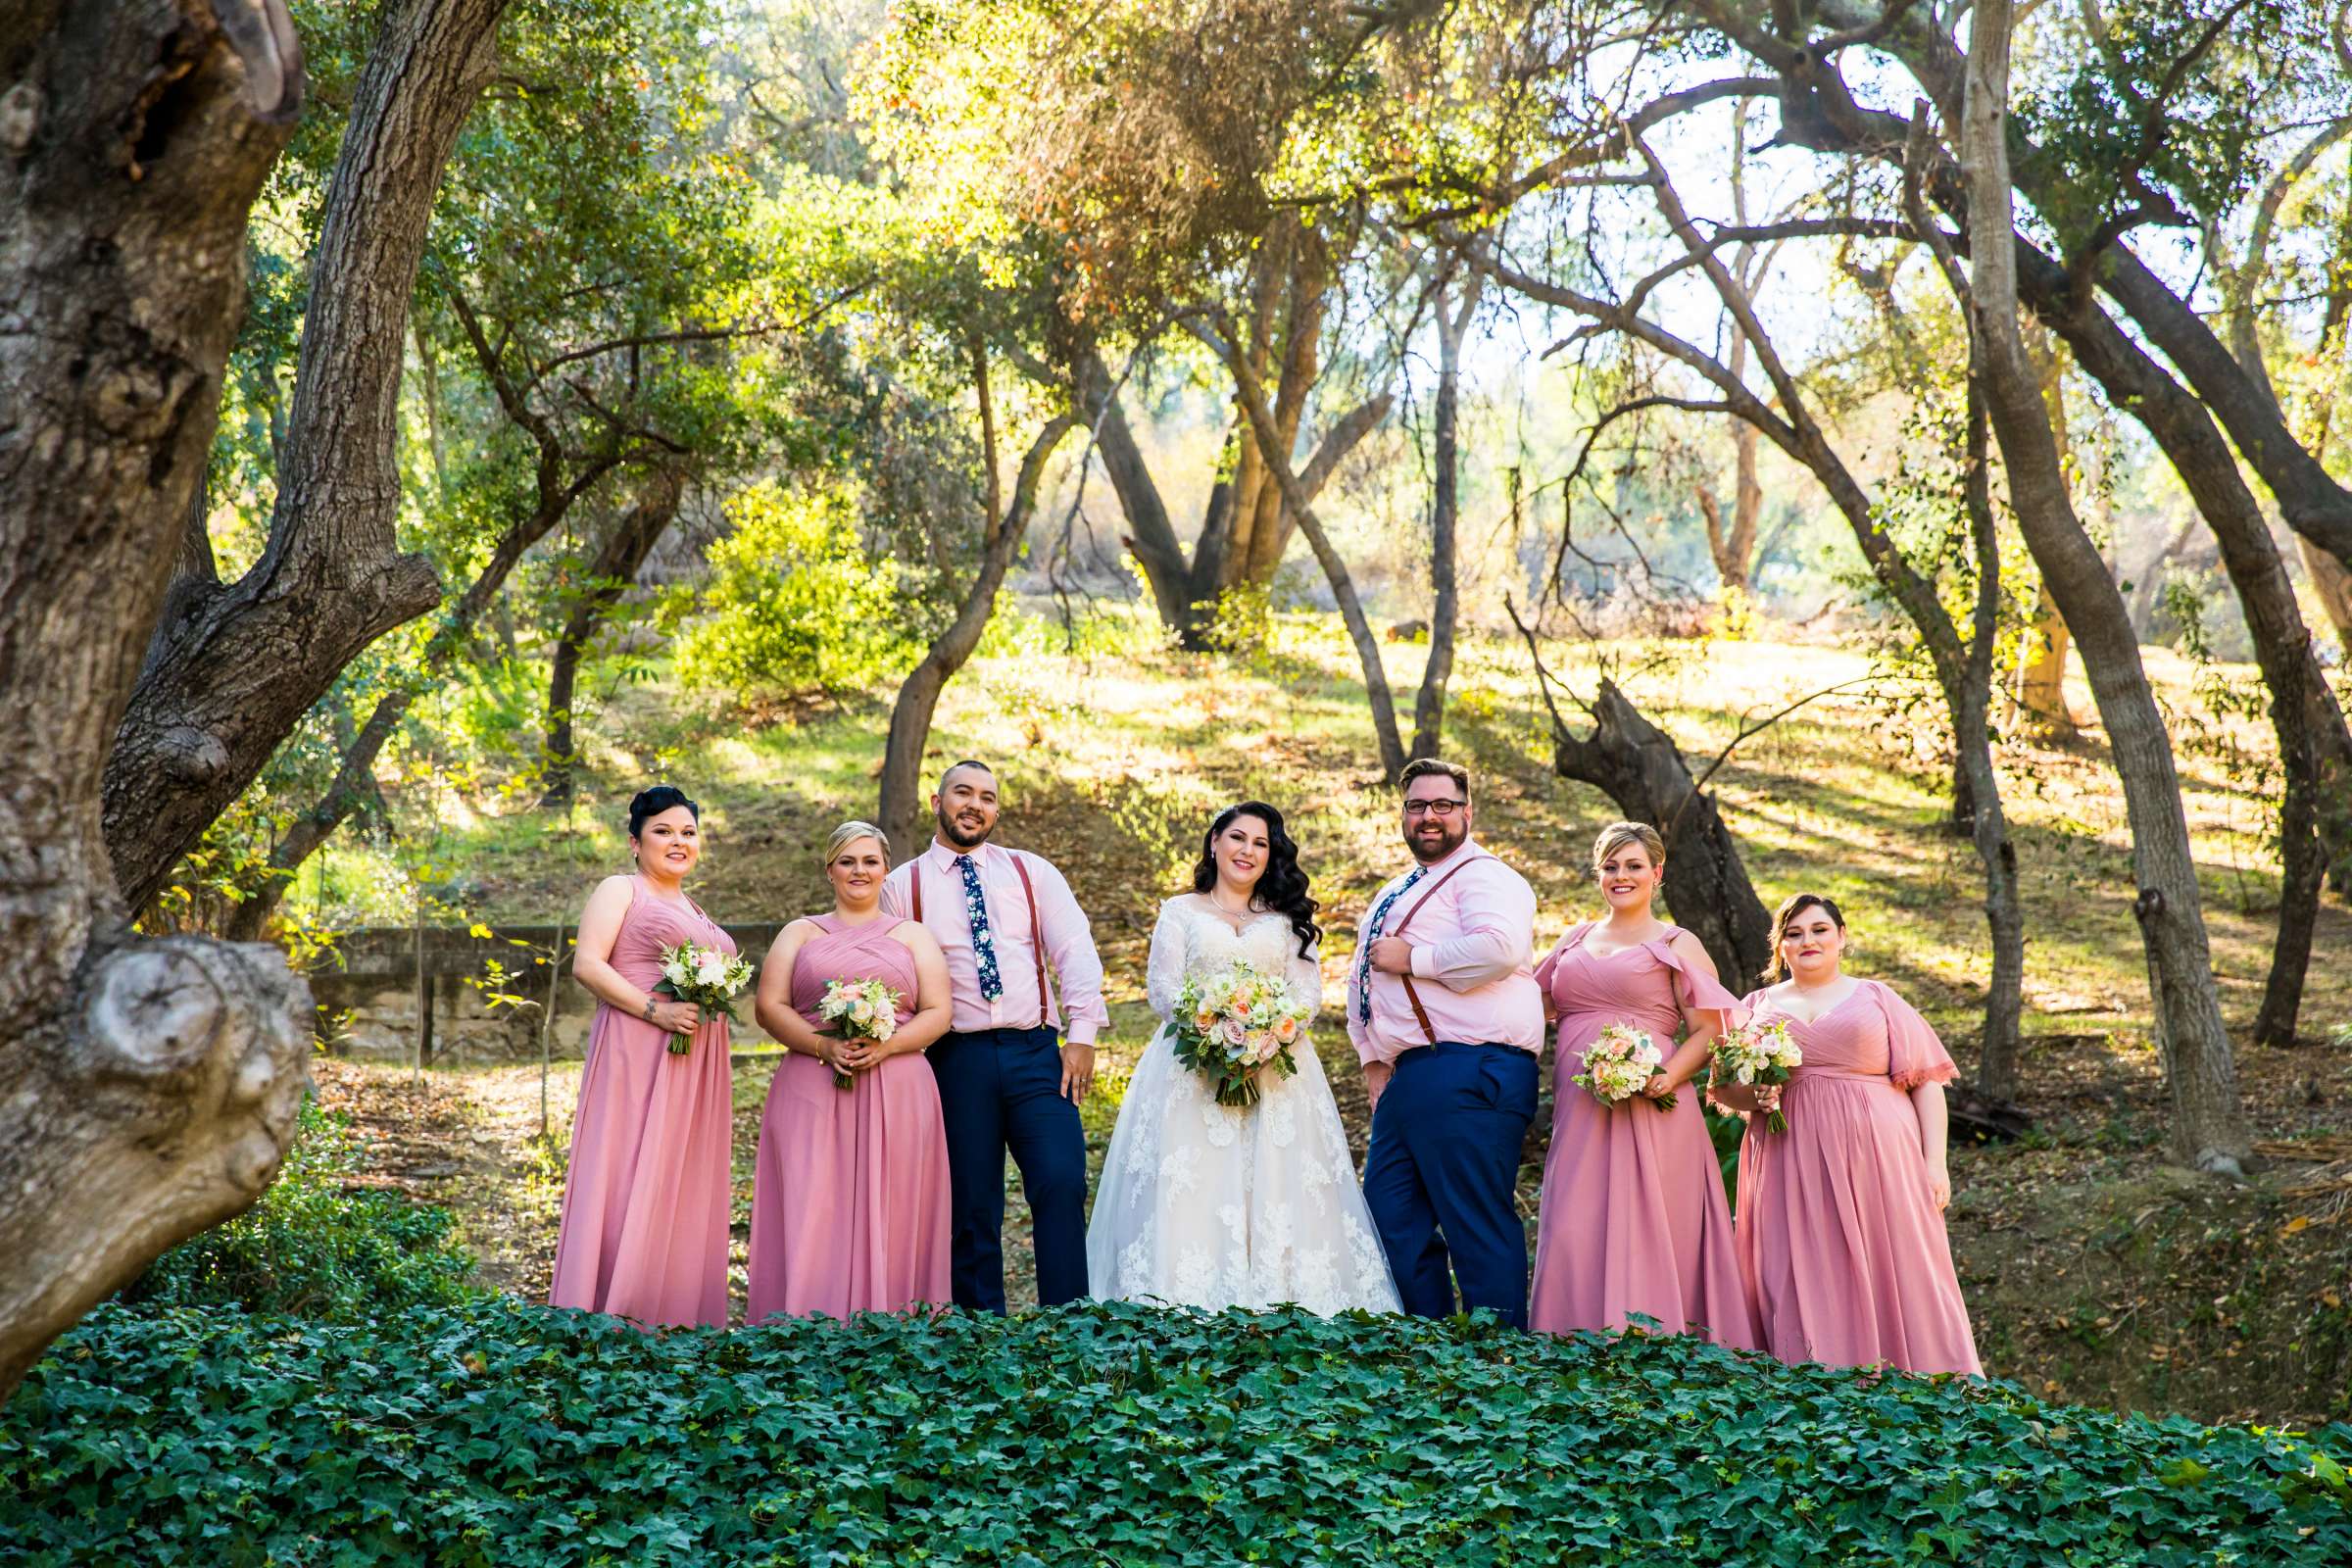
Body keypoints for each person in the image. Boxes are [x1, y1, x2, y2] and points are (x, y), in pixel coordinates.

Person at [1087, 803, 1398, 1313]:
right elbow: (1163, 990)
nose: (1248, 851)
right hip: (1191, 1069)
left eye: (1261, 843)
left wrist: (1266, 1037)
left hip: (1277, 1073)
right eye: (1238, 838)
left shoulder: (1285, 920)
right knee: (1194, 1180)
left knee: (1276, 1181)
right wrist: (1212, 1034)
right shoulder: (1180, 911)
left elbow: (1307, 994)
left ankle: (1282, 1302)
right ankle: (1183, 1302)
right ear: (1214, 842)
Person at [1713, 893, 1982, 1374]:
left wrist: (1935, 1163)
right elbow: (1724, 1088)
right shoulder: (1754, 1007)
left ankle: (1922, 1378)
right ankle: (1810, 1377)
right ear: (1780, 947)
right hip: (1786, 1159)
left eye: (1819, 930)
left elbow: (1926, 1084)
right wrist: (1753, 1098)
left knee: (1895, 1261)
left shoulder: (1877, 997)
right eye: (1793, 934)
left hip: (1879, 1160)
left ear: (1841, 937)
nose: (1807, 941)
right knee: (1795, 1265)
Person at [881, 760, 1107, 1312]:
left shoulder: (1030, 872)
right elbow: (889, 975)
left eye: (986, 797)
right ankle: (981, 1330)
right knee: (970, 1202)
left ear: (996, 811)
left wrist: (1082, 1033)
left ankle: (1068, 1320)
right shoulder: (900, 885)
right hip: (955, 1059)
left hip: (1035, 1053)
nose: (974, 805)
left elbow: (1074, 948)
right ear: (937, 801)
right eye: (963, 792)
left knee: (1061, 1181)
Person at [1527, 821, 1757, 1348]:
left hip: (1653, 1105)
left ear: (1657, 873)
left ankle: (1659, 1345)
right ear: (1598, 873)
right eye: (1610, 866)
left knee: (1651, 1222)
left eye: (1633, 866)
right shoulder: (1574, 939)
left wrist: (1666, 1077)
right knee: (1575, 1220)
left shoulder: (1677, 943)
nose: (1621, 876)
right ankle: (1571, 1339)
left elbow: (1707, 1031)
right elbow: (1529, 1005)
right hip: (1580, 1104)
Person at [1348, 759, 1545, 1330]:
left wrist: (1416, 958)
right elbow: (1362, 975)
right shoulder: (1399, 887)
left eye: (1442, 805)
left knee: (1475, 1220)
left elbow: (1500, 947)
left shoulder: (1486, 876)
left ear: (1467, 811)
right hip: (1412, 1073)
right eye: (1416, 806)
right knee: (1392, 1215)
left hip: (1472, 1063)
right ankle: (1427, 1347)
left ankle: (1498, 1358)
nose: (1428, 816)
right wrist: (1371, 1058)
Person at [746, 821, 954, 1323]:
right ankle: (803, 1322)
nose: (859, 871)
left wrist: (889, 1046)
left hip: (898, 1084)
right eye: (847, 861)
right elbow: (769, 1006)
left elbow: (938, 1011)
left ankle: (895, 1320)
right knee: (811, 1200)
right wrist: (822, 1044)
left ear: (886, 870)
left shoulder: (913, 935)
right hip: (811, 1085)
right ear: (830, 870)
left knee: (895, 1204)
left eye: (870, 861)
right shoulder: (799, 932)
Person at [548, 785, 735, 1328]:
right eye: (663, 831)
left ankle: (671, 1312)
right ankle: (614, 1309)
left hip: (695, 1063)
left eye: (688, 832)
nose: (678, 842)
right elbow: (588, 964)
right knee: (628, 1170)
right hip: (637, 1050)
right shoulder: (621, 889)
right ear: (635, 842)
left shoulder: (695, 909)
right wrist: (654, 1012)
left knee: (679, 1179)